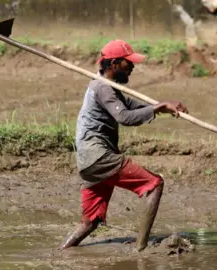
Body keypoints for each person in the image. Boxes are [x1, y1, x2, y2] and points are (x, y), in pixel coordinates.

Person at [60, 39, 188, 252]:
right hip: (100, 157)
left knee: (89, 222)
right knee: (154, 185)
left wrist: (162, 107)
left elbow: (131, 107)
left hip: (89, 162)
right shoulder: (102, 87)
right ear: (114, 64)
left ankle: (61, 253)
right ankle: (141, 249)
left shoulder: (108, 86)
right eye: (128, 63)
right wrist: (157, 108)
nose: (132, 67)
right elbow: (125, 117)